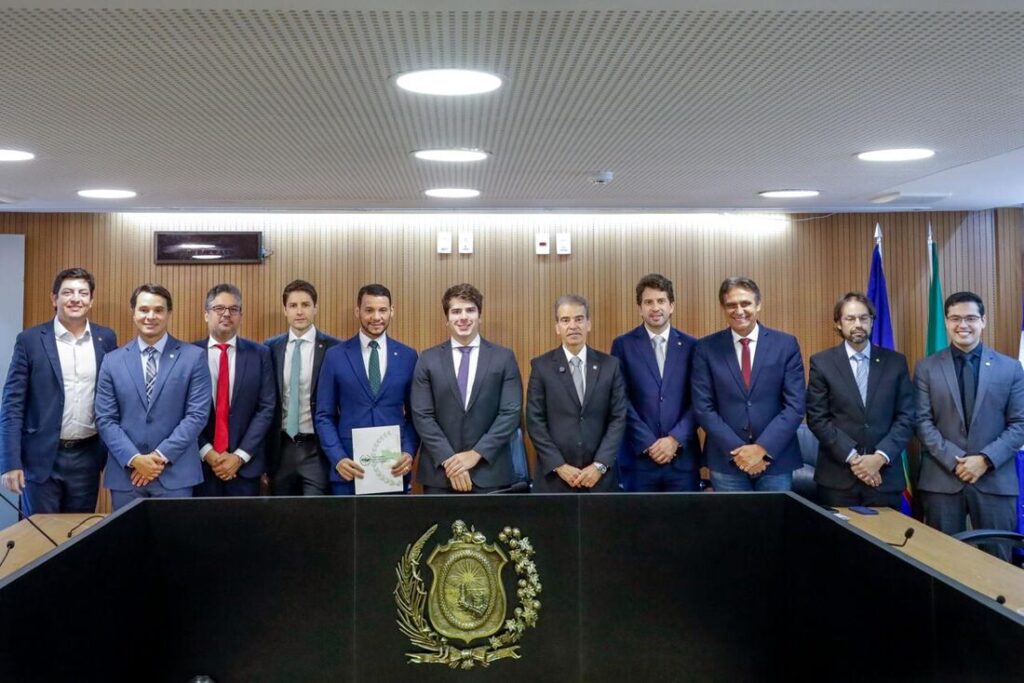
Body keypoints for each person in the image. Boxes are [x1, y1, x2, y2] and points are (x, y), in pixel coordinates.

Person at [915, 291, 1024, 560]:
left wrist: (984, 460)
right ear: (946, 322)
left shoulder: (1010, 368)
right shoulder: (926, 368)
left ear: (983, 321)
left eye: (970, 318)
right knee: (942, 563)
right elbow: (921, 421)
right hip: (942, 480)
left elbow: (1020, 424)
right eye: (955, 318)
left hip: (994, 481)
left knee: (998, 564)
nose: (963, 325)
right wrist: (957, 462)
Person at [0, 268, 117, 514]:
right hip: (40, 457)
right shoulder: (30, 340)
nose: (76, 298)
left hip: (87, 457)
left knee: (79, 532)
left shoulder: (105, 339)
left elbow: (113, 397)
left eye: (82, 293)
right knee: (38, 532)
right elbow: (12, 405)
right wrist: (10, 461)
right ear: (54, 298)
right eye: (68, 292)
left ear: (91, 300)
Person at [95, 284, 210, 509]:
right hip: (127, 474)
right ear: (133, 312)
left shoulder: (193, 357)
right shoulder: (112, 361)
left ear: (169, 313)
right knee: (127, 533)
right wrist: (135, 459)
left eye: (158, 310)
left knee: (173, 533)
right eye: (144, 309)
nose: (151, 316)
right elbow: (105, 419)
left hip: (176, 474)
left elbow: (196, 416)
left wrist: (158, 457)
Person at [692, 276, 805, 491]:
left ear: (758, 304)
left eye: (745, 303)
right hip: (727, 460)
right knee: (732, 516)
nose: (739, 310)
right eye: (731, 305)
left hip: (775, 459)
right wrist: (739, 452)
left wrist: (762, 449)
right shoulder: (706, 348)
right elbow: (703, 407)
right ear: (723, 308)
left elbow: (795, 405)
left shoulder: (785, 345)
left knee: (774, 515)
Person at [805, 292, 914, 508]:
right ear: (838, 323)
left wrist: (879, 457)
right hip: (838, 478)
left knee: (887, 532)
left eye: (864, 318)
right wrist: (855, 459)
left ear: (872, 322)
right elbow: (817, 418)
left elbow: (907, 416)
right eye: (850, 318)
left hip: (884, 476)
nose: (858, 324)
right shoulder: (822, 363)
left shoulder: (895, 362)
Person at [411, 283, 522, 494]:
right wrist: (450, 461)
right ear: (447, 319)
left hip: (490, 472)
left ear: (480, 316)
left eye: (470, 310)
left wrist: (476, 454)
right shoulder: (427, 359)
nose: (463, 317)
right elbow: (422, 415)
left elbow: (510, 413)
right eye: (456, 311)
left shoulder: (503, 358)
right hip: (440, 474)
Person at [316, 284, 418, 495]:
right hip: (349, 469)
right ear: (358, 311)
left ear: (392, 311)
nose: (376, 317)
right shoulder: (335, 356)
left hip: (393, 469)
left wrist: (408, 452)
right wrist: (338, 458)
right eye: (369, 310)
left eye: (382, 310)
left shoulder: (408, 356)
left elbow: (415, 415)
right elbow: (324, 415)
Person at [611, 273, 701, 492]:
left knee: (685, 515)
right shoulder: (623, 345)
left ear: (671, 306)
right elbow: (619, 399)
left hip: (682, 459)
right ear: (639, 308)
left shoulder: (692, 346)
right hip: (638, 459)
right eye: (648, 302)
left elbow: (700, 400)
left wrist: (675, 439)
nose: (655, 308)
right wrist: (648, 443)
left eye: (661, 301)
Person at [527, 295, 626, 493]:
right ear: (557, 327)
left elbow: (618, 418)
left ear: (588, 324)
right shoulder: (541, 367)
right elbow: (535, 421)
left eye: (579, 319)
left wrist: (599, 465)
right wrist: (559, 466)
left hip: (600, 480)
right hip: (554, 480)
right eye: (565, 320)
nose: (573, 326)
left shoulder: (610, 366)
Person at [193, 284, 275, 497]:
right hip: (200, 466)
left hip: (245, 468)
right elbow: (183, 411)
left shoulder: (260, 354)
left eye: (233, 309)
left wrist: (239, 456)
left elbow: (266, 408)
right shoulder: (189, 355)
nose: (226, 314)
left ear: (241, 316)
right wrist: (207, 452)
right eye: (219, 308)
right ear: (206, 314)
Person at [265, 280, 339, 495]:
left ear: (315, 308)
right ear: (285, 310)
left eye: (305, 305)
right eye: (293, 305)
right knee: (282, 513)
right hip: (280, 449)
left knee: (315, 512)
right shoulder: (269, 348)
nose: (299, 312)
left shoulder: (334, 348)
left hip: (317, 448)